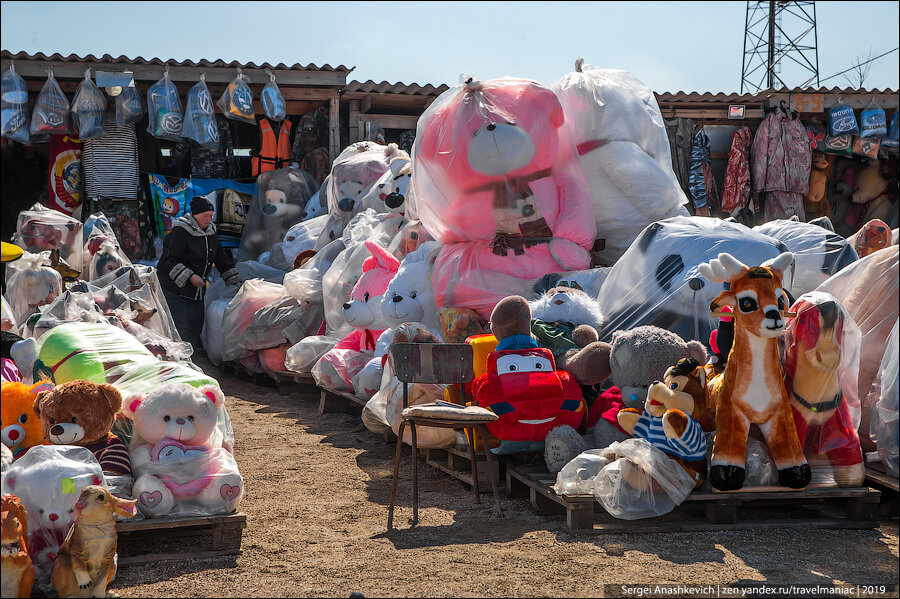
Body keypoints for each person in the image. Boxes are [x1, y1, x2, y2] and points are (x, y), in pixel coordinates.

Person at [157, 195, 241, 351]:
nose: (208, 219)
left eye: (211, 216)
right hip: (175, 291)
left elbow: (221, 258)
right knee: (181, 328)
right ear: (195, 214)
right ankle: (181, 362)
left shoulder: (210, 234)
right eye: (205, 216)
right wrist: (190, 276)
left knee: (196, 326)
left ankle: (191, 360)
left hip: (196, 291)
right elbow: (168, 261)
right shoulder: (180, 232)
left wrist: (235, 281)